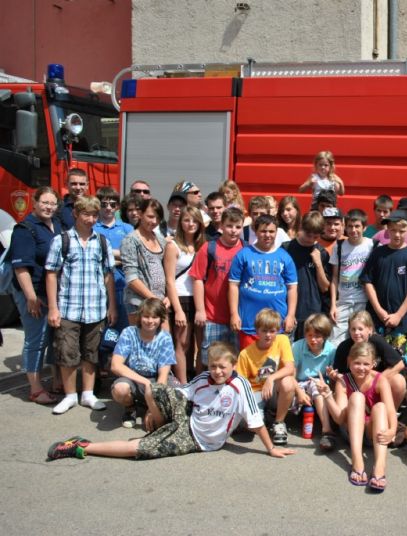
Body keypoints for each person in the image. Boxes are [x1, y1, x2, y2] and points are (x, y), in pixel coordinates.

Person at [47, 342, 295, 461]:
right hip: (185, 417)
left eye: (223, 367)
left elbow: (256, 422)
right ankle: (157, 421)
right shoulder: (204, 378)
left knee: (140, 449)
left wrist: (270, 448)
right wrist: (155, 410)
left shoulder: (239, 386)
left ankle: (81, 445)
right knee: (153, 388)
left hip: (195, 439)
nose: (218, 371)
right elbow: (179, 393)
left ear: (233, 366)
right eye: (214, 366)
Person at [46, 195, 116, 415]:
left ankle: (87, 394)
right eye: (86, 214)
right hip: (69, 307)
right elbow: (51, 274)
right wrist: (53, 307)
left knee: (91, 352)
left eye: (94, 214)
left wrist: (111, 305)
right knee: (67, 352)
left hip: (95, 308)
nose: (91, 219)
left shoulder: (102, 241)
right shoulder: (62, 240)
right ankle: (70, 396)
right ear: (75, 214)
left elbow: (108, 275)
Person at [316, 341, 398, 492]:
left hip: (372, 432)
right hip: (351, 431)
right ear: (349, 362)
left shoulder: (380, 380)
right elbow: (340, 419)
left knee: (380, 407)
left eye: (366, 364)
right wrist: (327, 394)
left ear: (373, 364)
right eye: (357, 363)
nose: (361, 368)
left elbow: (391, 411)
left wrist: (392, 430)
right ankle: (357, 460)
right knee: (357, 397)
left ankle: (379, 467)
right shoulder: (343, 381)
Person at [9, 186, 63, 404]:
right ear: (35, 202)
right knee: (36, 339)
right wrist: (31, 297)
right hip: (34, 293)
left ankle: (55, 380)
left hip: (52, 292)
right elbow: (21, 268)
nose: (49, 207)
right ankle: (35, 387)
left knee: (53, 337)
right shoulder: (25, 229)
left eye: (52, 203)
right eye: (45, 202)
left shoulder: (56, 225)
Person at [361, 208, 407, 367]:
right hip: (378, 321)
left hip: (404, 323)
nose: (397, 234)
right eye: (393, 230)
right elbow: (367, 282)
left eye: (401, 230)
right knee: (376, 364)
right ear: (387, 231)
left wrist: (398, 315)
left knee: (403, 365)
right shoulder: (378, 254)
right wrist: (379, 310)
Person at [229, 214, 298, 348]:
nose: (267, 235)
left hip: (277, 326)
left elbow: (292, 288)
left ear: (277, 232)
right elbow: (233, 285)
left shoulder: (284, 257)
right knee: (250, 366)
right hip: (249, 323)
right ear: (255, 231)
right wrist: (234, 314)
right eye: (263, 231)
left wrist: (290, 315)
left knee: (276, 365)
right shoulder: (243, 255)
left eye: (271, 231)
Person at [189, 207, 245, 368]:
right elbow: (198, 279)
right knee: (211, 362)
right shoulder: (209, 248)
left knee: (235, 362)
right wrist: (200, 310)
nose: (233, 231)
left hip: (238, 318)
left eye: (238, 227)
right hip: (213, 315)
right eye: (229, 226)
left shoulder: (246, 249)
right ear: (221, 225)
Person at [110, 298, 176, 428]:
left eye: (155, 317)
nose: (150, 321)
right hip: (133, 377)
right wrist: (145, 382)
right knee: (120, 389)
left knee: (177, 394)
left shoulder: (165, 337)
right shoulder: (129, 333)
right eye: (146, 316)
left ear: (161, 319)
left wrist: (153, 408)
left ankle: (149, 407)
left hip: (156, 378)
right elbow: (115, 365)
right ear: (140, 317)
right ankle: (130, 407)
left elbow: (163, 375)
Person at [236, 308, 297, 446]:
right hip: (256, 392)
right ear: (257, 331)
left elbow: (290, 368)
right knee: (251, 428)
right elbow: (241, 383)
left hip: (274, 389)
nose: (268, 335)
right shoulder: (246, 353)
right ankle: (264, 415)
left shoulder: (282, 340)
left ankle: (279, 423)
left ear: (277, 330)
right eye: (264, 330)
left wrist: (271, 378)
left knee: (288, 381)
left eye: (272, 331)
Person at [333, 311, 407, 411]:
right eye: (353, 329)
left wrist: (376, 381)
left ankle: (391, 416)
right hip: (354, 388)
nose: (356, 333)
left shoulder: (377, 341)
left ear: (370, 329)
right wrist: (334, 376)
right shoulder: (344, 347)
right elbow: (340, 373)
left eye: (360, 329)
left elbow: (399, 364)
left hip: (376, 387)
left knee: (399, 380)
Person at [94, 187, 134, 368]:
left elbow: (132, 255)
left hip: (122, 285)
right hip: (97, 287)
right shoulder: (92, 227)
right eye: (104, 204)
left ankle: (120, 366)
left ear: (118, 207)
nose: (108, 208)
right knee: (100, 329)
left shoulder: (127, 228)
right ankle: (99, 368)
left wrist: (109, 256)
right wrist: (117, 258)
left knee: (123, 328)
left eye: (112, 204)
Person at [164, 205, 205, 382]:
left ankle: (199, 382)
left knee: (201, 344)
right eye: (187, 220)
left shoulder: (202, 245)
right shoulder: (173, 246)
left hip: (200, 298)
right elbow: (170, 280)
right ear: (180, 222)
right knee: (183, 344)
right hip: (181, 298)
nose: (191, 224)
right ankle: (183, 386)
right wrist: (178, 309)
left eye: (195, 220)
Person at [291, 313, 337, 451]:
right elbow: (291, 375)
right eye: (309, 335)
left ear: (325, 336)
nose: (313, 340)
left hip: (319, 383)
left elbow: (333, 376)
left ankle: (327, 430)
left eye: (317, 336)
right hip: (299, 383)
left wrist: (333, 376)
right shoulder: (298, 347)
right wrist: (299, 392)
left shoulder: (331, 350)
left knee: (317, 385)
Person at [120, 198, 169, 328]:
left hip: (160, 301)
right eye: (150, 216)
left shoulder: (160, 239)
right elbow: (131, 278)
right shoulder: (130, 240)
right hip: (139, 303)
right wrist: (153, 299)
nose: (154, 221)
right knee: (142, 344)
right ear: (140, 214)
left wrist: (166, 296)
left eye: (158, 218)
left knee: (164, 342)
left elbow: (167, 271)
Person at [282, 211, 329, 339]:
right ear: (301, 227)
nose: (311, 239)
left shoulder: (321, 252)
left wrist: (318, 264)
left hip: (312, 312)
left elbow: (325, 287)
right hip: (288, 311)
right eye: (308, 234)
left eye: (316, 236)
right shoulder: (286, 249)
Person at [329, 208, 374, 346]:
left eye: (357, 226)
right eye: (350, 226)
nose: (353, 230)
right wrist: (333, 305)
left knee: (362, 339)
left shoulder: (372, 245)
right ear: (344, 227)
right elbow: (335, 278)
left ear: (364, 227)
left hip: (363, 301)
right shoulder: (339, 246)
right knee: (335, 341)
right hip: (343, 301)